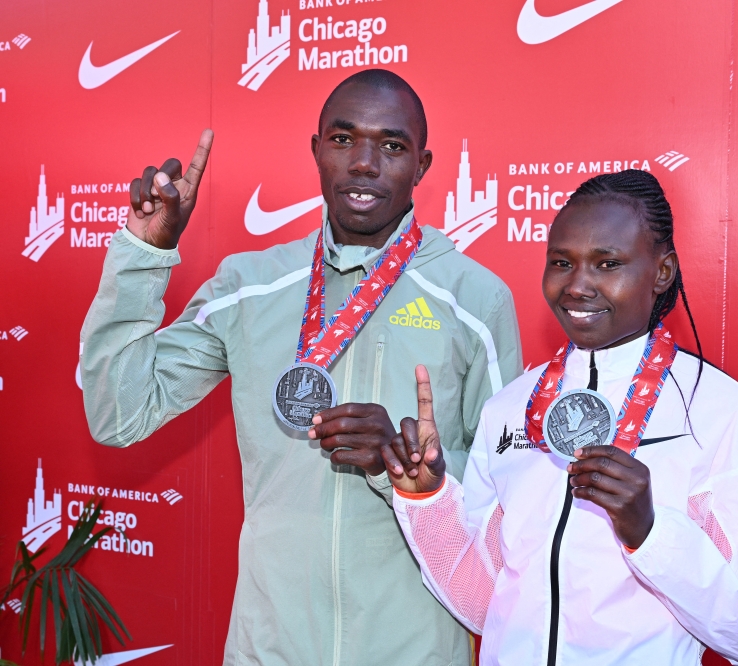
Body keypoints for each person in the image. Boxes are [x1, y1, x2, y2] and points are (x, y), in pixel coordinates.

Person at [80, 69, 522, 665]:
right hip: (271, 648)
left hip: (413, 650)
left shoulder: (475, 300)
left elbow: (513, 502)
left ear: (423, 164)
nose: (364, 163)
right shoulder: (249, 286)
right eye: (343, 140)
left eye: (392, 146)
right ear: (316, 150)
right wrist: (146, 253)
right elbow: (119, 413)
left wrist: (413, 470)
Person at [384, 170, 738, 665]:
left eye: (608, 263)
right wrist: (426, 497)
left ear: (662, 271)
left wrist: (650, 533)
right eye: (562, 262)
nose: (578, 286)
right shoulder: (510, 407)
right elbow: (486, 602)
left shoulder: (718, 411)